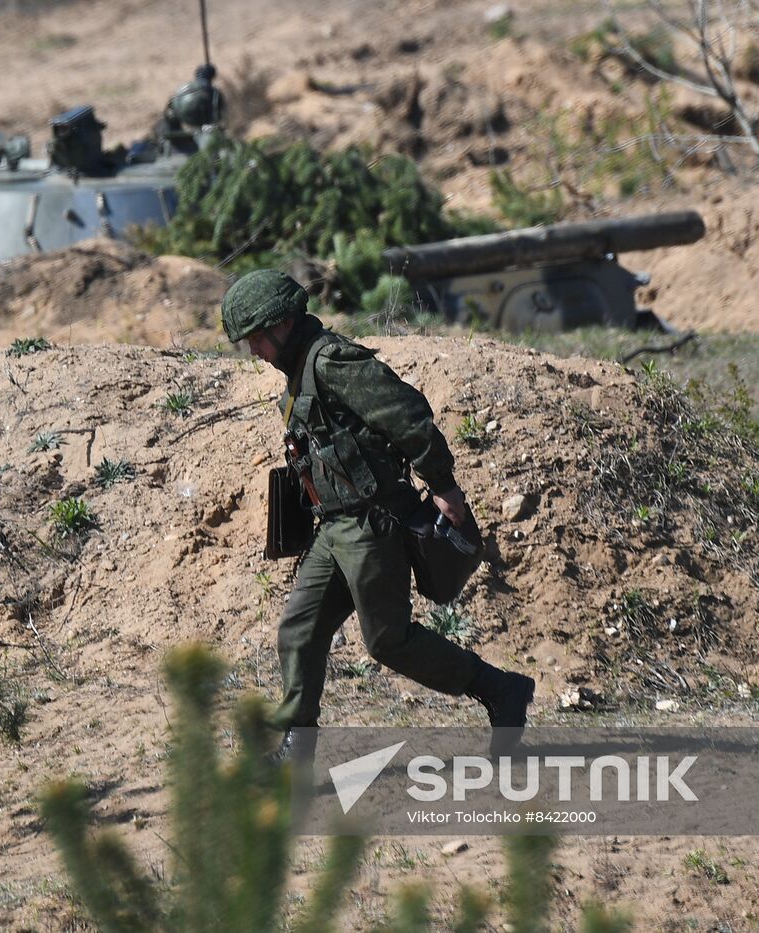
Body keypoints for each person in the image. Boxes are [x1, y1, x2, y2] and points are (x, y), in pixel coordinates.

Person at [221, 269, 535, 759]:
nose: (255, 350)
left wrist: (445, 486)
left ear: (281, 325)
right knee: (299, 629)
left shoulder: (332, 361)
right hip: (336, 527)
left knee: (388, 640)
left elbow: (406, 414)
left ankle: (500, 689)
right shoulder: (300, 370)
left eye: (257, 338)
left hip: (373, 523)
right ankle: (296, 748)